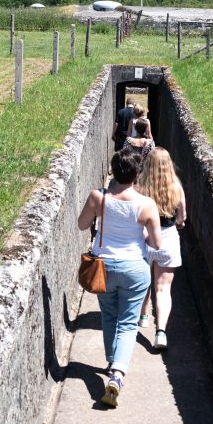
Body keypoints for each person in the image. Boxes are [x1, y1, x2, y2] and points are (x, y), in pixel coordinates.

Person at [78, 149, 161, 407]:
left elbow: (82, 225)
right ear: (137, 174)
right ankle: (117, 373)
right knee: (127, 323)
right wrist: (141, 235)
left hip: (104, 267)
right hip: (135, 269)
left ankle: (112, 361)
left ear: (114, 170)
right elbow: (156, 243)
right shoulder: (146, 204)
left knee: (109, 316)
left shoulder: (98, 197)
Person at [137, 148, 186, 350]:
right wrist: (177, 223)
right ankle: (161, 333)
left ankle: (143, 316)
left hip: (145, 239)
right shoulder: (177, 187)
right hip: (168, 240)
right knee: (163, 289)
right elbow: (182, 219)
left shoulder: (140, 186)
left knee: (144, 283)